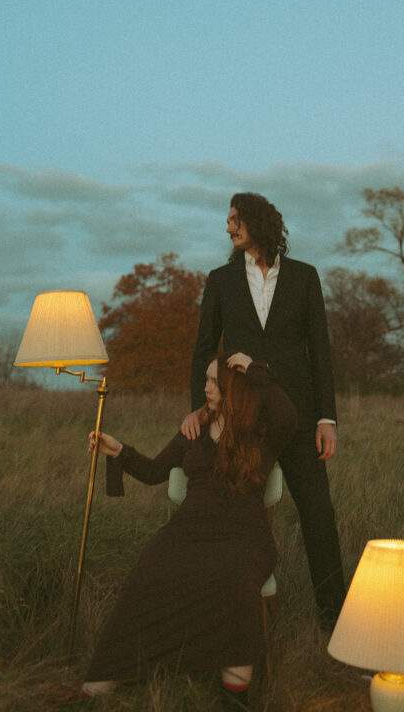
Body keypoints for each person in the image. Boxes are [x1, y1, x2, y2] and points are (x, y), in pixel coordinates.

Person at [81, 352, 297, 709]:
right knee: (149, 570)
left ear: (234, 389)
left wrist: (258, 371)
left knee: (237, 578)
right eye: (207, 380)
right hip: (188, 529)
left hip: (244, 534)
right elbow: (153, 472)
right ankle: (116, 667)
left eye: (215, 382)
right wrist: (117, 450)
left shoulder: (263, 433)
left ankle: (235, 690)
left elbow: (288, 415)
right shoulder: (193, 430)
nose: (206, 387)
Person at [186, 192, 346, 629]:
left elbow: (320, 352)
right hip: (241, 422)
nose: (228, 226)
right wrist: (201, 410)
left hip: (297, 419)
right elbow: (204, 348)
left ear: (257, 223)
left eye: (235, 219)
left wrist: (326, 419)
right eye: (228, 219)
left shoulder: (304, 277)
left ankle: (336, 623)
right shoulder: (220, 281)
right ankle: (226, 618)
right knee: (234, 517)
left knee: (319, 516)